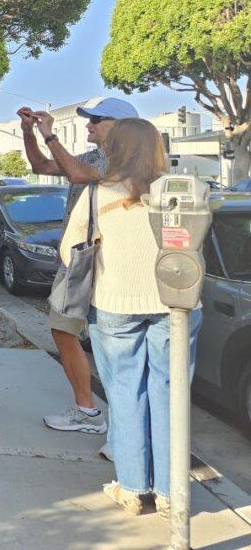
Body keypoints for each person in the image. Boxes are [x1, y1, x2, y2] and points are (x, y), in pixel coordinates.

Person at [60, 118, 201, 518]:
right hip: (176, 305)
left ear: (115, 149)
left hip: (115, 303)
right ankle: (173, 491)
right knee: (170, 394)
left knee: (125, 393)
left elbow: (71, 251)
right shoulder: (181, 192)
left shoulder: (98, 194)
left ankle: (134, 487)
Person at [19, 97, 139, 438]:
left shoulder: (127, 162)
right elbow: (42, 167)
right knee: (64, 330)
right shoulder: (93, 157)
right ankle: (90, 410)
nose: (88, 124)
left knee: (106, 343)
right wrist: (30, 132)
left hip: (104, 262)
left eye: (96, 119)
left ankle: (115, 425)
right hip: (79, 261)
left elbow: (75, 173)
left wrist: (50, 135)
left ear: (120, 126)